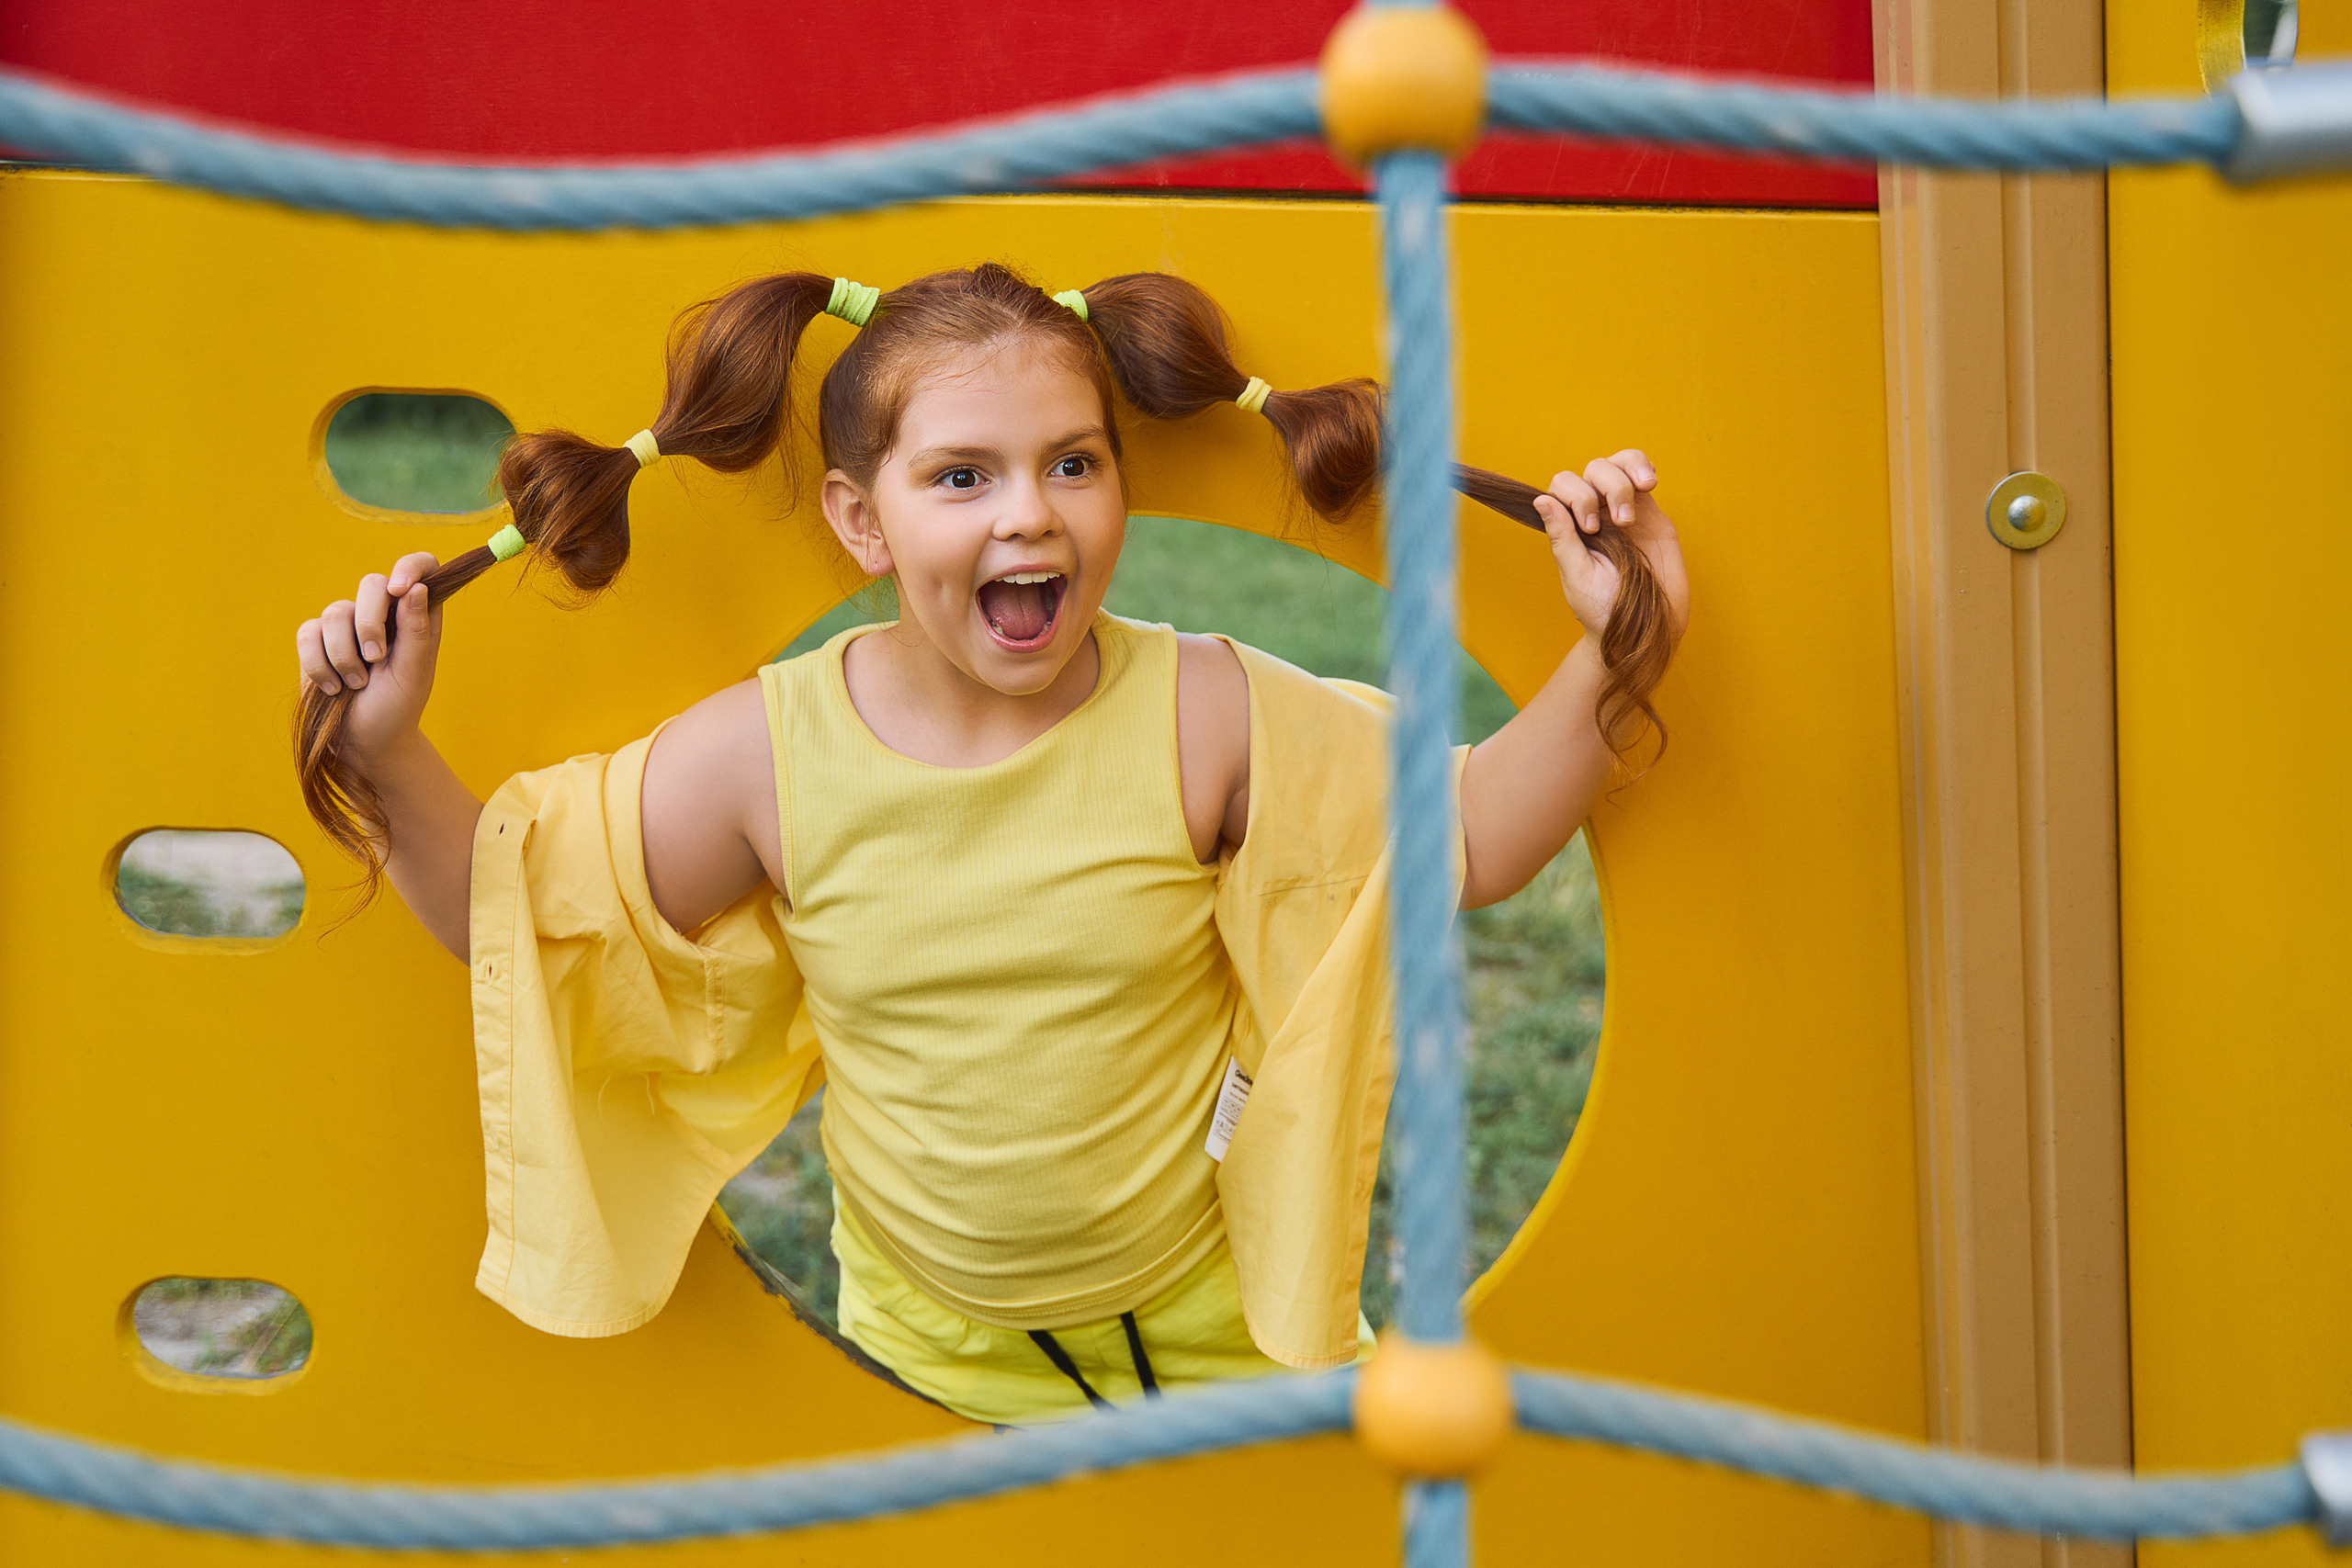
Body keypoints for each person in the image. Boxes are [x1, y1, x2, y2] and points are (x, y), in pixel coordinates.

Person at [291, 263, 1688, 1426]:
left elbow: (1470, 837)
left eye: (1072, 464)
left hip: (1217, 1318)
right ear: (861, 522)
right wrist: (385, 749)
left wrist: (1628, 632)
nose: (1029, 510)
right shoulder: (764, 760)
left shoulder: (1205, 715)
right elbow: (533, 918)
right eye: (961, 476)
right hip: (923, 1351)